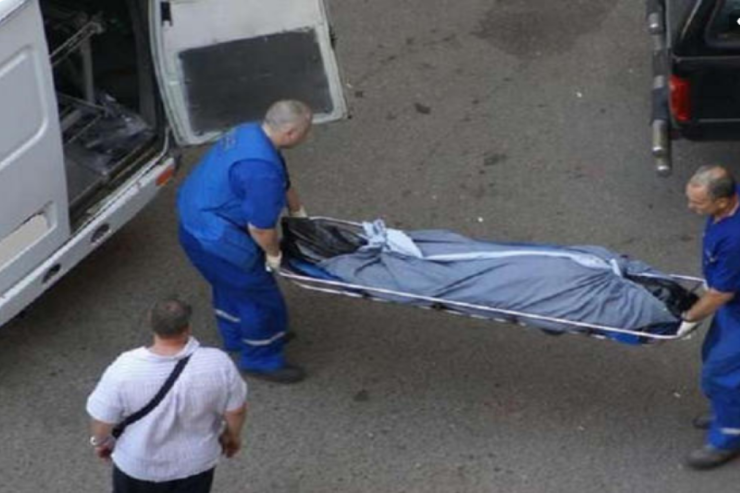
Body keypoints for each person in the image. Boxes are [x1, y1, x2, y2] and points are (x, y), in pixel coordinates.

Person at [176, 100, 312, 384]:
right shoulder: (261, 172)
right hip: (218, 238)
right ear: (290, 133)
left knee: (228, 285)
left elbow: (284, 181)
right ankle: (261, 358)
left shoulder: (248, 133)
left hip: (195, 223)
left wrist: (298, 211)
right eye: (305, 131)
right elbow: (261, 229)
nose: (307, 135)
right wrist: (274, 255)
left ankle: (236, 336)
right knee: (260, 298)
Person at [86, 299, 248, 492]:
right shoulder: (218, 362)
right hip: (195, 464)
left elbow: (102, 418)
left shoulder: (125, 367)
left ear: (151, 323)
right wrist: (232, 437)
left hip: (138, 465)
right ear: (187, 327)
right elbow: (236, 410)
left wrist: (100, 442)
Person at [682, 165, 740, 469]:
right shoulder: (727, 206)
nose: (691, 208)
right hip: (734, 307)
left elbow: (720, 295)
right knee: (712, 352)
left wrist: (688, 318)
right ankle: (729, 408)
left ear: (722, 201)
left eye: (698, 203)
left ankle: (727, 439)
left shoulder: (736, 238)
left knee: (722, 374)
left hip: (733, 303)